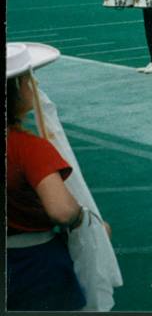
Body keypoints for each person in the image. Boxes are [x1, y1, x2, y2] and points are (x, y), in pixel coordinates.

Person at [6, 43, 88, 311]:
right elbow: (62, 211)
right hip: (33, 262)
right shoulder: (28, 147)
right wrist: (82, 218)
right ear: (17, 89)